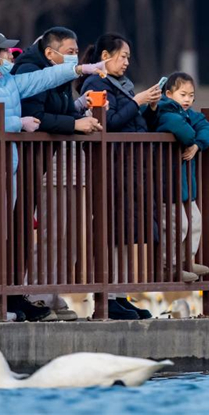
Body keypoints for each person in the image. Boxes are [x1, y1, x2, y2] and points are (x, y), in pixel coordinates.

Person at [0, 30, 106, 323]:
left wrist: (78, 69)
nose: (10, 56)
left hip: (5, 166)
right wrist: (17, 122)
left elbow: (40, 79)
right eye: (4, 53)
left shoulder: (6, 80)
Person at [12, 27, 102, 321]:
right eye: (70, 51)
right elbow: (37, 116)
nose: (75, 57)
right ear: (50, 53)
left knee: (66, 232)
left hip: (56, 159)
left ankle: (51, 293)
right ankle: (37, 295)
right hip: (36, 161)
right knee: (50, 231)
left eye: (77, 51)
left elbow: (59, 110)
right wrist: (75, 125)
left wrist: (79, 110)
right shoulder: (31, 69)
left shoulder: (59, 73)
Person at [79, 33, 161, 320]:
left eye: (128, 56)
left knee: (126, 231)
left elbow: (135, 123)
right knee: (113, 230)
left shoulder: (121, 86)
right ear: (105, 56)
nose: (127, 61)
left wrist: (148, 106)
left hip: (131, 165)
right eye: (122, 55)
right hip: (112, 166)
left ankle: (120, 294)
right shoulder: (95, 83)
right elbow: (109, 123)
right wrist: (137, 101)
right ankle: (108, 297)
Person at [154, 72, 209, 281]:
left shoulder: (190, 115)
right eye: (183, 94)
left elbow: (206, 126)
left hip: (187, 186)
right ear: (168, 94)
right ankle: (169, 265)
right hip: (167, 186)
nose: (187, 99)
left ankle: (188, 259)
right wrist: (191, 139)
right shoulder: (163, 110)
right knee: (177, 225)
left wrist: (198, 145)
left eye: (191, 95)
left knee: (195, 221)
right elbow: (183, 131)